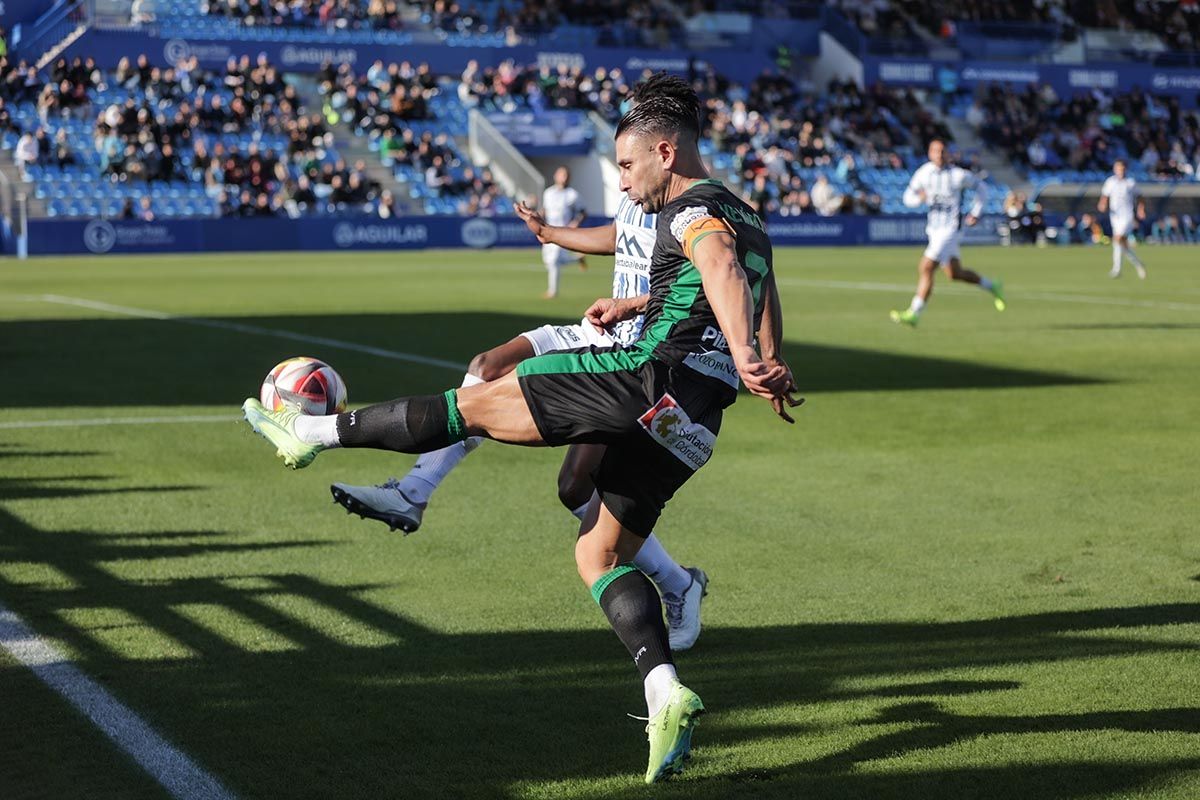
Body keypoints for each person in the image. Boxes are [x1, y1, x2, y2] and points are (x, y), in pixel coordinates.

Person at [242, 83, 800, 783]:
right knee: (600, 557)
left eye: (627, 168)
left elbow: (716, 266)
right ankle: (665, 691)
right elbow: (756, 282)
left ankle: (312, 432)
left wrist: (749, 354)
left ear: (666, 152)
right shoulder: (745, 212)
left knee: (476, 400)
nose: (622, 183)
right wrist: (763, 357)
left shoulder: (693, 211)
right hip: (694, 418)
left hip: (640, 376)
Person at [330, 74, 711, 651]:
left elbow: (703, 284)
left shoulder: (687, 200)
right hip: (596, 329)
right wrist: (551, 234)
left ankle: (681, 585)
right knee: (487, 365)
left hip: (635, 352)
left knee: (574, 488)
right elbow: (620, 236)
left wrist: (636, 304)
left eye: (640, 115)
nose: (626, 128)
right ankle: (414, 492)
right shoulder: (638, 182)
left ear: (669, 137)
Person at [891, 139, 1005, 327]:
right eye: (936, 151)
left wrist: (976, 212)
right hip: (934, 229)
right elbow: (907, 197)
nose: (939, 155)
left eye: (943, 151)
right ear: (929, 153)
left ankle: (914, 313)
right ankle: (992, 286)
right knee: (954, 273)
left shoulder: (958, 175)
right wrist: (919, 199)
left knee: (926, 267)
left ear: (948, 154)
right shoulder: (924, 173)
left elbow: (982, 188)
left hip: (951, 229)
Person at [540, 165, 587, 298]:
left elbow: (583, 212)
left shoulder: (572, 194)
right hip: (548, 230)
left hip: (563, 231)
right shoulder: (548, 193)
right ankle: (577, 259)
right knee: (549, 260)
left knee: (554, 260)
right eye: (561, 175)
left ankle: (553, 291)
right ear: (556, 176)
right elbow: (544, 210)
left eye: (566, 175)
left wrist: (575, 223)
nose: (564, 178)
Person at [1098, 159, 1147, 279]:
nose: (1121, 170)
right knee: (1121, 244)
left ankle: (1117, 269)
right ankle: (1138, 264)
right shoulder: (1110, 182)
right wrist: (1102, 204)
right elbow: (1104, 196)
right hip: (1115, 216)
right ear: (1115, 169)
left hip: (1127, 215)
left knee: (1118, 239)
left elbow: (1140, 197)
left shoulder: (1130, 183)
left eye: (1123, 168)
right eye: (1118, 168)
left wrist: (1141, 210)